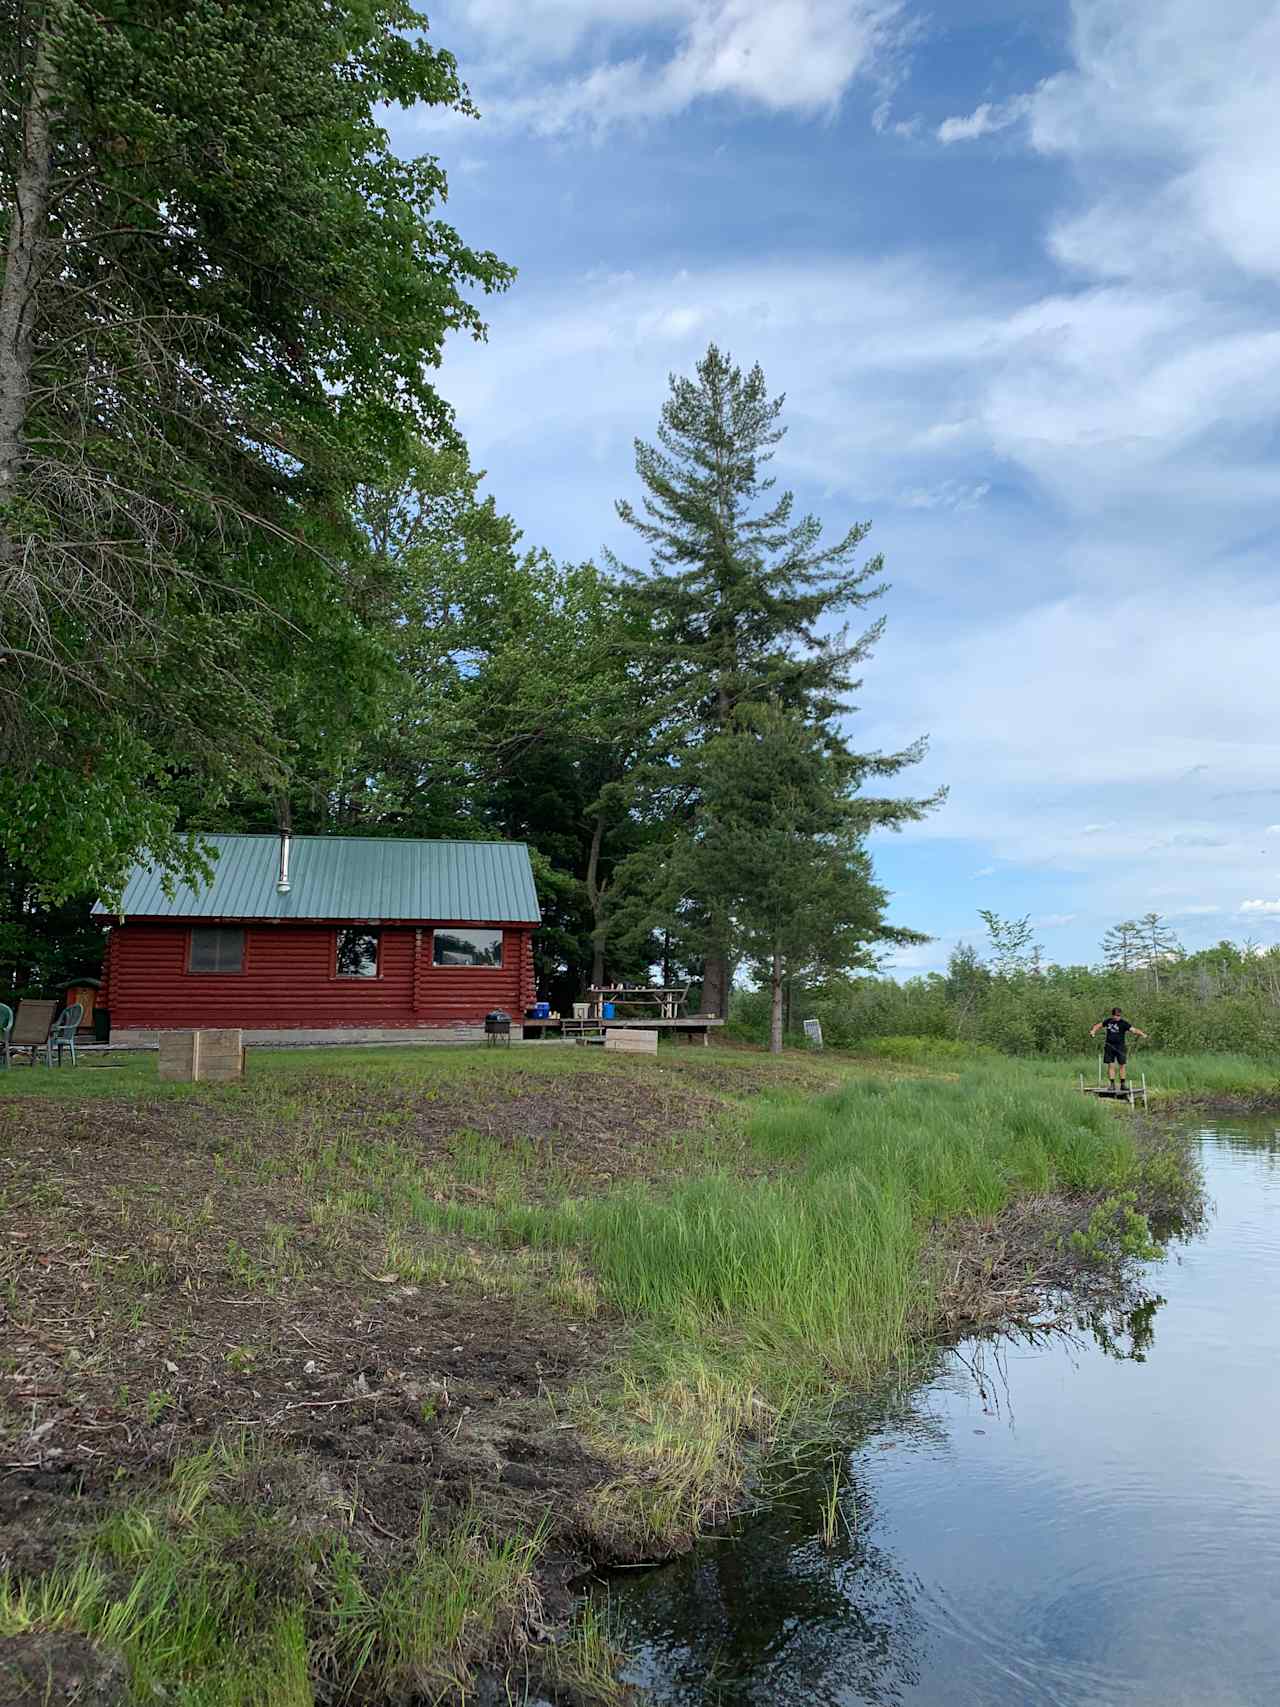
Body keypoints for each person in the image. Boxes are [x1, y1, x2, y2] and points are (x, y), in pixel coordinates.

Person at [1089, 1007, 1147, 1092]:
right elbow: (1098, 1025)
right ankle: (1112, 1084)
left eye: (1119, 1015)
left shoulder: (1123, 1023)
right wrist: (1093, 1031)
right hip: (1109, 1046)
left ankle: (1123, 1084)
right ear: (1112, 1015)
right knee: (1111, 1065)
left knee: (1122, 1065)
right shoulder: (1108, 1021)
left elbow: (1133, 1030)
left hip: (1120, 1047)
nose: (1117, 1017)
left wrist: (1142, 1034)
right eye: (1116, 1015)